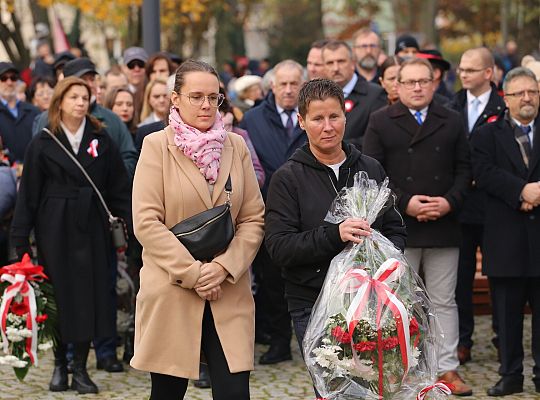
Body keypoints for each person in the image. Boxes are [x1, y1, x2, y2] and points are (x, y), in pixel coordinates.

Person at [130, 59, 264, 400]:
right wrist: (194, 274)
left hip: (228, 288)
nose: (206, 105)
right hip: (172, 287)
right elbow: (146, 222)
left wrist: (222, 268)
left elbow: (252, 219)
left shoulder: (236, 146)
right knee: (167, 393)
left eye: (214, 97)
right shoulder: (156, 146)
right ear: (175, 99)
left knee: (235, 393)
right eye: (196, 96)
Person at [265, 78, 407, 398]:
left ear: (346, 117)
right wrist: (334, 234)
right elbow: (279, 247)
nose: (327, 127)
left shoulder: (369, 168)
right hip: (313, 302)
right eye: (317, 119)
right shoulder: (287, 178)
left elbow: (396, 229)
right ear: (301, 121)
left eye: (334, 116)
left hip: (372, 300)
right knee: (335, 390)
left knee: (375, 386)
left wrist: (384, 259)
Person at [10, 76, 131, 394]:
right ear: (60, 101)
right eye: (74, 96)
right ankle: (60, 365)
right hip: (55, 227)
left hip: (92, 226)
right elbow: (29, 196)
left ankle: (80, 366)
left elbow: (118, 188)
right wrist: (20, 240)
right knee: (58, 296)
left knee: (90, 296)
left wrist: (130, 223)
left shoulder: (102, 140)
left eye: (85, 96)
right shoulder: (43, 141)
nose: (80, 102)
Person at [363, 57, 473, 396]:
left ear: (435, 82)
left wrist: (450, 201)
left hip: (444, 224)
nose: (416, 87)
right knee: (399, 300)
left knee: (444, 300)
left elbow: (465, 168)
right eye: (409, 82)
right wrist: (405, 201)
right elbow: (373, 172)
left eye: (423, 81)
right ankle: (403, 367)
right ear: (397, 86)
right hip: (400, 226)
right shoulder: (380, 121)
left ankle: (447, 368)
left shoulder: (452, 121)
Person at [471, 67, 540, 397]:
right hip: (506, 238)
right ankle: (510, 374)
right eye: (519, 93)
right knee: (507, 316)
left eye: (533, 92)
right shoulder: (486, 134)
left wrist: (538, 192)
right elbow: (482, 172)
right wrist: (520, 192)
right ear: (506, 98)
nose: (527, 98)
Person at [239, 59, 307, 366]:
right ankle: (279, 341)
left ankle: (314, 342)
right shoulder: (253, 119)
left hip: (308, 212)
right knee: (270, 281)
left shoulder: (311, 115)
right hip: (267, 211)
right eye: (284, 84)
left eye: (295, 84)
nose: (289, 90)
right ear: (272, 86)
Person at [451, 47, 505, 366]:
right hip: (461, 207)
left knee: (499, 274)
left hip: (493, 206)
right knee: (460, 277)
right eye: (461, 69)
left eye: (470, 70)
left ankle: (502, 337)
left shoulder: (503, 105)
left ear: (488, 73)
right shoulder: (453, 105)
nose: (463, 75)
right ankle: (462, 340)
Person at [33, 57, 138, 178]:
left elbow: (129, 157)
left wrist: (108, 177)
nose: (89, 84)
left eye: (92, 79)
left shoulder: (112, 120)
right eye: (82, 79)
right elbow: (37, 161)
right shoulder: (48, 119)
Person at [321, 40, 386, 149]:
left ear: (353, 63)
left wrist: (336, 147)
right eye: (330, 63)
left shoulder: (375, 95)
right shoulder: (317, 98)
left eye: (341, 61)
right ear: (323, 67)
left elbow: (378, 138)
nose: (336, 68)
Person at [0, 62, 41, 163]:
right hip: (8, 173)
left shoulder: (33, 111)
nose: (9, 82)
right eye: (3, 78)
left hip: (36, 168)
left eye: (13, 78)